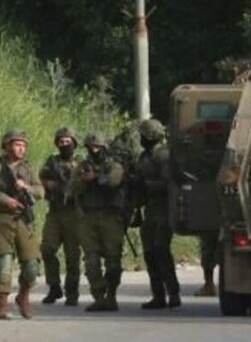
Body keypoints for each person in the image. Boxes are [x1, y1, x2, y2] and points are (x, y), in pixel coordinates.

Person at [0, 130, 44, 319]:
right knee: (4, 264)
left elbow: (40, 191)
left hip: (24, 219)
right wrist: (5, 199)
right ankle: (2, 303)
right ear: (7, 146)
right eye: (17, 144)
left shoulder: (28, 168)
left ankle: (23, 296)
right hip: (2, 218)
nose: (21, 148)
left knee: (31, 266)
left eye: (24, 145)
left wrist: (27, 187)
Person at [69, 134, 125, 312]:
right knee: (91, 261)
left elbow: (113, 181)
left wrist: (96, 177)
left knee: (113, 261)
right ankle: (99, 296)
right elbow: (71, 189)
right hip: (88, 217)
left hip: (110, 217)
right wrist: (82, 180)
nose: (94, 150)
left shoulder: (114, 166)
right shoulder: (82, 167)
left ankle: (111, 296)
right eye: (90, 147)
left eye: (97, 147)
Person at [136, 119, 181, 309]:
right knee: (149, 253)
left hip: (164, 209)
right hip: (150, 210)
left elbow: (168, 184)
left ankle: (173, 293)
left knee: (161, 250)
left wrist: (145, 185)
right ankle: (158, 295)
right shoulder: (144, 156)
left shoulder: (163, 155)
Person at [39, 127, 82, 306]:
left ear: (74, 143)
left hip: (74, 214)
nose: (64, 145)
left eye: (68, 141)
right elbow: (41, 179)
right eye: (61, 142)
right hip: (55, 212)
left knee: (72, 256)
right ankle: (54, 286)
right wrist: (49, 185)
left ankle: (72, 293)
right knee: (47, 249)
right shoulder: (52, 162)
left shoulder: (81, 163)